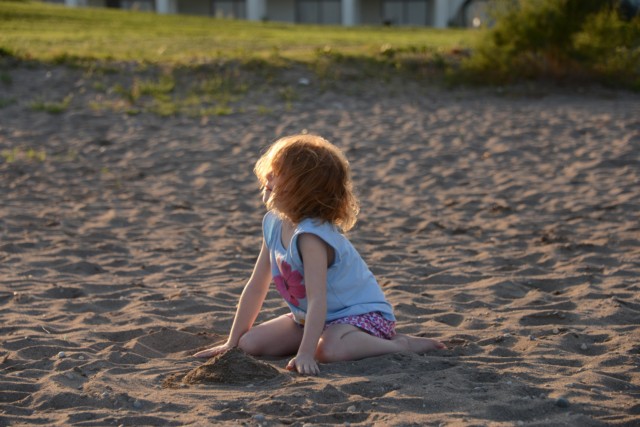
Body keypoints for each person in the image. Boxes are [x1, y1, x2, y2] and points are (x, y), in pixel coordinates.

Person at [194, 134, 445, 375]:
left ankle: (401, 345)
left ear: (303, 188)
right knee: (249, 344)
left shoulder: (311, 236)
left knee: (327, 350)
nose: (268, 176)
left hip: (358, 316)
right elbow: (257, 285)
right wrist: (231, 342)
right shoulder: (273, 222)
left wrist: (306, 354)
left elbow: (317, 299)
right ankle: (313, 339)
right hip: (307, 319)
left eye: (279, 173)